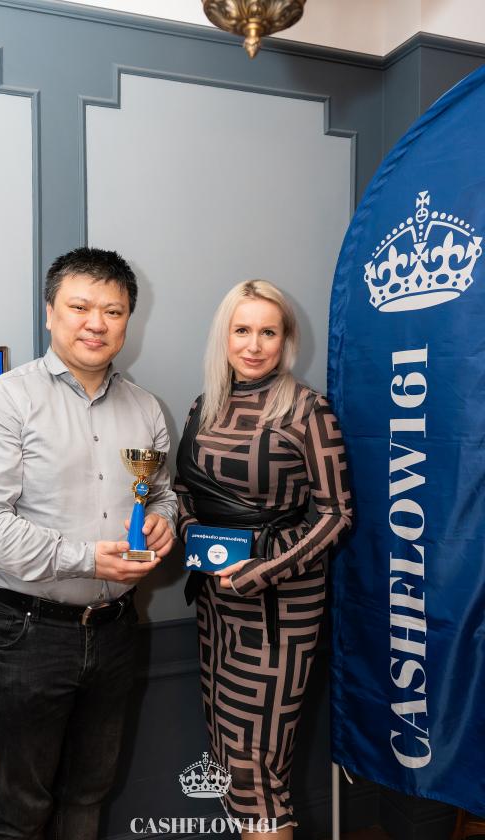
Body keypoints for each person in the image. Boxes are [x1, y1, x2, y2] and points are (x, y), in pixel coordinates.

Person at [0, 247, 176, 840]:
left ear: (128, 320)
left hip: (116, 629)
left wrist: (164, 519)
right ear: (49, 313)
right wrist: (86, 558)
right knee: (20, 809)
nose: (96, 323)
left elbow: (161, 494)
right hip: (26, 632)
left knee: (89, 795)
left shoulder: (147, 409)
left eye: (113, 311)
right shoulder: (2, 401)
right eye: (79, 307)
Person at [174, 280, 352, 838]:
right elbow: (183, 491)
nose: (254, 345)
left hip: (281, 608)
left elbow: (337, 515)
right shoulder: (204, 406)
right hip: (216, 602)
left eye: (268, 332)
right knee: (229, 758)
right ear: (224, 336)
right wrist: (189, 531)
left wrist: (264, 570)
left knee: (257, 768)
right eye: (242, 330)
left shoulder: (308, 410)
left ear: (286, 339)